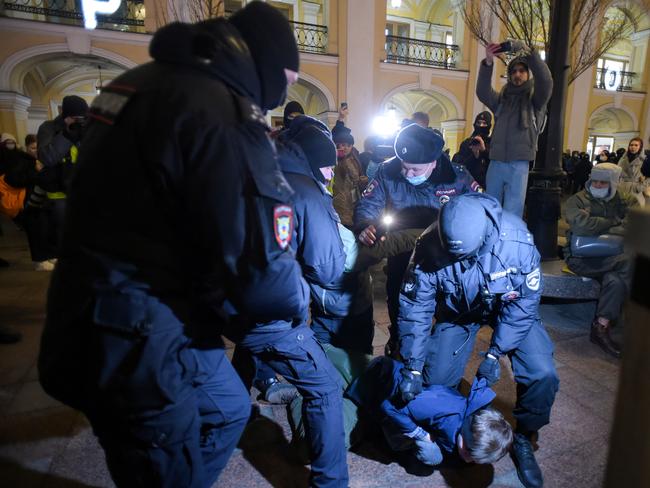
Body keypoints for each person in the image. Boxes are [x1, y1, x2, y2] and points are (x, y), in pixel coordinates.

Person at [38, 3, 314, 487]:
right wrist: (298, 298)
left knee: (229, 409)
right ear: (266, 66)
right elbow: (263, 272)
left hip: (92, 309)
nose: (284, 90)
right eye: (287, 78)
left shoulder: (140, 82)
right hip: (143, 343)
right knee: (160, 465)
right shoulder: (223, 112)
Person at [396, 193, 559, 488]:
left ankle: (524, 436)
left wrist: (496, 354)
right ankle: (455, 432)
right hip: (460, 311)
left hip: (510, 312)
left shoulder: (517, 242)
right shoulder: (429, 245)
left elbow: (524, 304)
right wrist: (413, 366)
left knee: (542, 374)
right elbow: (415, 309)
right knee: (434, 380)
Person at [233, 115, 344, 406]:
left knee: (249, 336)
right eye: (327, 166)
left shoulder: (257, 174)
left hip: (238, 287)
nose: (331, 174)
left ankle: (238, 398)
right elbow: (326, 268)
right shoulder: (307, 192)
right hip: (275, 294)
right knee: (325, 389)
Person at [355, 123, 481, 351]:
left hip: (443, 255)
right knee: (397, 296)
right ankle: (397, 340)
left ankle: (435, 348)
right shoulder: (387, 170)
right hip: (401, 251)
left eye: (415, 169)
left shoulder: (457, 177)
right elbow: (369, 204)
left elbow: (479, 210)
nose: (407, 173)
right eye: (404, 167)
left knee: (440, 302)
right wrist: (365, 225)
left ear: (433, 162)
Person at [347, 356, 512, 467]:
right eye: (468, 452)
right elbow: (388, 406)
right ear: (466, 432)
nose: (468, 460)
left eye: (474, 459)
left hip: (416, 409)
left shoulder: (471, 422)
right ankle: (395, 446)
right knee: (431, 455)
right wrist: (420, 434)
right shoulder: (439, 407)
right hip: (382, 387)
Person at [564, 163, 638, 358]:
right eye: (594, 180)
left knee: (614, 280)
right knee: (630, 262)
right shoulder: (577, 200)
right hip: (581, 259)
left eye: (603, 182)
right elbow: (580, 227)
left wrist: (596, 226)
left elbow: (634, 227)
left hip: (612, 258)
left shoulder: (626, 200)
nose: (597, 185)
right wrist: (614, 222)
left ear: (614, 183)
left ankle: (600, 328)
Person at [477, 41, 553, 218]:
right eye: (513, 71)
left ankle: (509, 242)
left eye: (522, 70)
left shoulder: (536, 99)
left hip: (519, 162)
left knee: (513, 209)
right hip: (496, 160)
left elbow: (546, 81)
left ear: (528, 73)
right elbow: (482, 92)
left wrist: (529, 53)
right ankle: (491, 241)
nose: (517, 74)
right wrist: (488, 62)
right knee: (490, 206)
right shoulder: (502, 99)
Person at [37, 94, 88, 253]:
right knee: (64, 234)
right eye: (75, 117)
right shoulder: (49, 128)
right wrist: (67, 135)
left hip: (84, 190)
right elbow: (48, 158)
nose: (79, 121)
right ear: (65, 116)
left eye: (83, 117)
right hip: (59, 192)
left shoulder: (88, 127)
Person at [332, 121, 366, 228]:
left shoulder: (355, 159)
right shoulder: (333, 161)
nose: (345, 148)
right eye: (341, 145)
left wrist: (363, 180)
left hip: (353, 204)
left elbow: (356, 180)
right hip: (339, 205)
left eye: (348, 145)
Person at [453, 111, 492, 187]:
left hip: (485, 184)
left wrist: (484, 151)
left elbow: (494, 165)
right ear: (475, 124)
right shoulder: (466, 143)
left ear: (489, 126)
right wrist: (474, 155)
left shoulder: (492, 143)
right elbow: (458, 163)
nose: (481, 125)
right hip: (467, 183)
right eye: (479, 123)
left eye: (484, 123)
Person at [618, 137, 648, 206]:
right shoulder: (623, 158)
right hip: (622, 189)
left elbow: (649, 177)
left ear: (640, 147)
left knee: (634, 213)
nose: (633, 147)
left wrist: (640, 187)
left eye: (636, 145)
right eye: (631, 145)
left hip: (635, 191)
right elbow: (617, 172)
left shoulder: (645, 160)